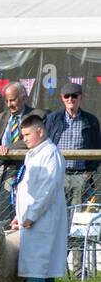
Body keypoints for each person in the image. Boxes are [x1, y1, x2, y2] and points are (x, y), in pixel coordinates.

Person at [11, 115, 68, 282]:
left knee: (38, 262)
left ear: (40, 131)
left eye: (27, 134)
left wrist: (32, 215)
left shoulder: (50, 154)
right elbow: (28, 187)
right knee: (41, 262)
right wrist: (20, 214)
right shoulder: (33, 154)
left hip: (43, 218)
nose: (24, 138)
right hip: (32, 218)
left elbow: (48, 189)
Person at [0, 82, 47, 222]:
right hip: (0, 173)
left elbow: (29, 141)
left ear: (24, 97)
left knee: (19, 212)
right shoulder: (0, 118)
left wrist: (7, 149)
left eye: (13, 100)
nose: (9, 104)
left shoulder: (37, 116)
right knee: (0, 214)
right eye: (6, 100)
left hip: (24, 171)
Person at [44, 81, 99, 211]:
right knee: (56, 212)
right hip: (57, 175)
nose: (70, 99)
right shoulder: (53, 119)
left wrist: (90, 171)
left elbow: (97, 145)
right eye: (67, 96)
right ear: (62, 98)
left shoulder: (91, 120)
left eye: (74, 95)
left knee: (78, 215)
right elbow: (45, 143)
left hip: (81, 175)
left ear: (81, 97)